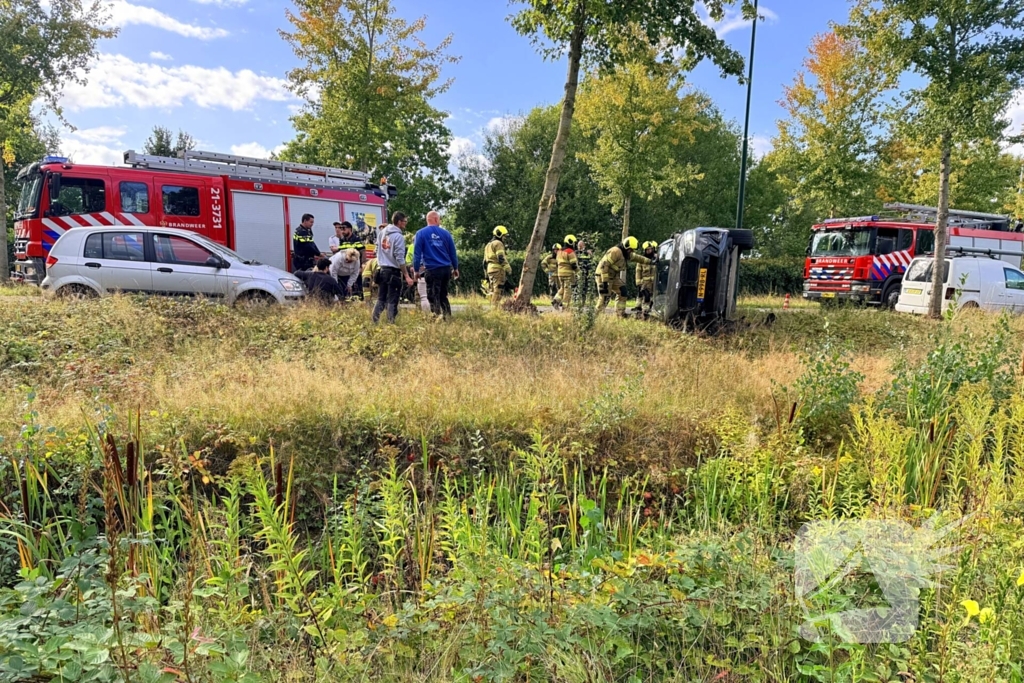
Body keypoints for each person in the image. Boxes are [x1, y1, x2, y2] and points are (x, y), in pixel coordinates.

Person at [413, 210, 459, 319]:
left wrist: (416, 271)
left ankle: (437, 318)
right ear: (436, 219)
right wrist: (456, 268)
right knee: (443, 294)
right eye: (439, 219)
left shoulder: (420, 233)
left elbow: (417, 254)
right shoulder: (446, 234)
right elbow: (453, 253)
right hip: (446, 270)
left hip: (432, 270)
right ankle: (448, 317)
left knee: (433, 295)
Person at [372, 211, 416, 324]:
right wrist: (406, 275)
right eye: (405, 221)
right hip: (393, 271)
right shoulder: (398, 236)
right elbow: (400, 258)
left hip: (382, 270)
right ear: (399, 222)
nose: (405, 224)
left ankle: (374, 321)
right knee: (393, 299)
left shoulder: (382, 233)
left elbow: (377, 250)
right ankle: (391, 323)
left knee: (381, 297)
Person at [595, 236, 654, 317]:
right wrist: (605, 282)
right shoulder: (615, 252)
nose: (631, 252)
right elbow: (604, 266)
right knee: (605, 296)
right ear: (626, 247)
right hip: (603, 275)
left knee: (623, 291)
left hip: (613, 276)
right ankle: (596, 316)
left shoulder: (626, 253)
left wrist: (651, 261)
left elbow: (638, 258)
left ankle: (620, 314)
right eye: (630, 250)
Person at [484, 225, 513, 307]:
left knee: (492, 291)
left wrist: (486, 275)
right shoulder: (498, 243)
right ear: (499, 234)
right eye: (504, 236)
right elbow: (501, 258)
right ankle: (494, 310)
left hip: (490, 270)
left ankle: (493, 308)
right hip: (498, 270)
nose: (505, 238)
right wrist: (508, 269)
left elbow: (484, 262)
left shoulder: (488, 245)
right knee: (498, 291)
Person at [633, 241, 658, 319]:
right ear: (645, 250)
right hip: (644, 283)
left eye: (650, 249)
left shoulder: (656, 259)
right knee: (645, 296)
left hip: (654, 283)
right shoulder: (641, 260)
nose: (649, 251)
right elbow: (638, 272)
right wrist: (638, 283)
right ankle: (642, 310)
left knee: (652, 297)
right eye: (647, 250)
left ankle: (648, 310)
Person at [554, 235, 579, 310]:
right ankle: (565, 307)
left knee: (562, 288)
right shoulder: (570, 252)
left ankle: (555, 300)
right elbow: (573, 265)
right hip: (568, 274)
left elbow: (557, 262)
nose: (575, 244)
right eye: (574, 243)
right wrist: (579, 272)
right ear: (570, 242)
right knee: (568, 290)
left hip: (560, 273)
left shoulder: (560, 251)